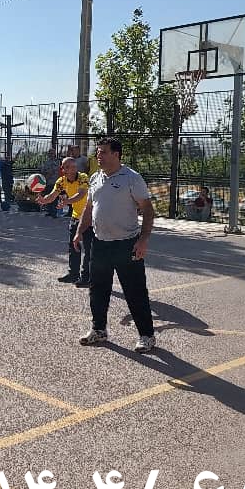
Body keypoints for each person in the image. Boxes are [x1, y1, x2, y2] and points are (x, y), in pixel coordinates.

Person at [73, 137, 156, 353]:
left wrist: (143, 240)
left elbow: (148, 209)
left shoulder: (132, 178)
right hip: (100, 243)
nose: (98, 156)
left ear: (116, 154)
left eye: (103, 152)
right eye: (98, 152)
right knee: (97, 290)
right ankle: (99, 330)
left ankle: (147, 335)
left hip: (127, 244)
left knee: (135, 292)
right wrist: (79, 231)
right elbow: (89, 209)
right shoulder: (95, 178)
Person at [39, 157, 92, 286]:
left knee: (89, 249)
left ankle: (86, 278)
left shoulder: (83, 177)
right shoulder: (61, 181)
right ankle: (73, 275)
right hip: (75, 217)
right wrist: (44, 200)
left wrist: (67, 201)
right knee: (73, 246)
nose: (72, 169)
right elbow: (52, 195)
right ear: (63, 169)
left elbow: (81, 194)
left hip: (89, 217)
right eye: (68, 167)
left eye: (74, 167)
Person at [39, 148, 62, 218]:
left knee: (54, 197)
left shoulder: (58, 162)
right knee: (48, 196)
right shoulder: (46, 162)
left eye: (52, 153)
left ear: (55, 154)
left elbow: (58, 170)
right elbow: (42, 171)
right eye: (50, 153)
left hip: (56, 182)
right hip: (48, 182)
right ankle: (49, 211)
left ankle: (54, 212)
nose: (51, 155)